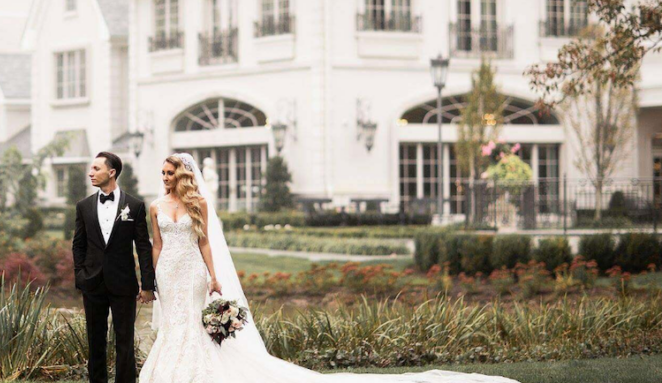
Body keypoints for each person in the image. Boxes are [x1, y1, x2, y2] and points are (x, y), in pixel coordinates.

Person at [139, 153, 522, 383]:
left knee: (192, 322)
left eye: (170, 172)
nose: (165, 177)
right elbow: (157, 244)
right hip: (168, 272)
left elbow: (204, 241)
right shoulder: (155, 206)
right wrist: (153, 280)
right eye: (162, 173)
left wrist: (215, 275)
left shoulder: (198, 204)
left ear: (183, 175)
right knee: (174, 321)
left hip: (193, 271)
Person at [71, 151, 155, 383]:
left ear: (112, 172)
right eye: (91, 168)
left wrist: (147, 284)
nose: (91, 173)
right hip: (93, 282)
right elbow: (78, 245)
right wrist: (80, 275)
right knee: (95, 341)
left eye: (96, 168)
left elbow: (143, 247)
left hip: (123, 283)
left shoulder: (135, 206)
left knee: (125, 342)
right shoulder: (84, 206)